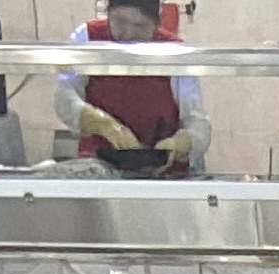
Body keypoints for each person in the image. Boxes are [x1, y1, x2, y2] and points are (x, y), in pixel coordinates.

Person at [62, 0, 202, 170]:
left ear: (156, 24)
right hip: (98, 169)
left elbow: (198, 123)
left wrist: (180, 143)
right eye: (120, 21)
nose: (129, 34)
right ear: (108, 14)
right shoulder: (87, 38)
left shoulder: (174, 52)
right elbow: (64, 98)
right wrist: (102, 123)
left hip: (165, 174)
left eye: (140, 26)